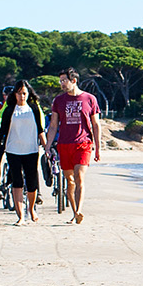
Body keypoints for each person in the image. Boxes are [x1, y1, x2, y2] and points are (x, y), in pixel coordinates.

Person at [47, 68, 101, 223]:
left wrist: (98, 148)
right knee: (69, 180)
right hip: (64, 144)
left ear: (74, 81)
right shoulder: (58, 101)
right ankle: (74, 212)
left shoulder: (89, 99)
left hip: (83, 143)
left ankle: (79, 210)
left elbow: (96, 124)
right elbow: (53, 125)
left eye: (64, 80)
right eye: (61, 81)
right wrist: (48, 146)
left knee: (79, 177)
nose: (62, 84)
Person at [0, 79, 47, 224]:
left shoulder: (34, 109)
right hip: (13, 150)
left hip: (31, 150)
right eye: (19, 93)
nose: (22, 96)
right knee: (16, 182)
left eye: (24, 93)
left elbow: (40, 130)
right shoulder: (9, 110)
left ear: (29, 93)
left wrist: (46, 147)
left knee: (32, 184)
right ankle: (20, 216)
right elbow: (3, 131)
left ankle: (31, 209)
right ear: (15, 94)